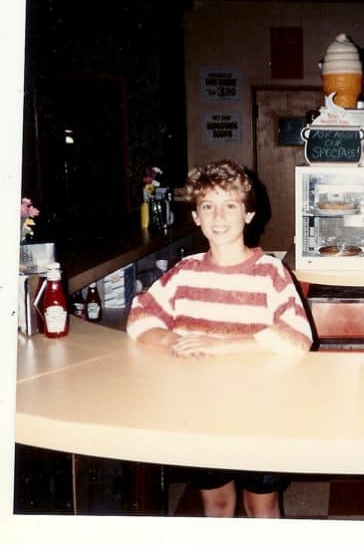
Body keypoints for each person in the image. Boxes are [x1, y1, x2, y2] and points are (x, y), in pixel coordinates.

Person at [126, 159, 314, 517]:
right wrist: (170, 340)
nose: (219, 216)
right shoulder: (184, 273)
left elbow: (297, 337)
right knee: (216, 502)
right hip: (202, 411)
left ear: (248, 214)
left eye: (230, 205)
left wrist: (220, 345)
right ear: (196, 217)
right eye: (207, 207)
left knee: (261, 504)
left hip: (261, 413)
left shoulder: (270, 272)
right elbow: (140, 317)